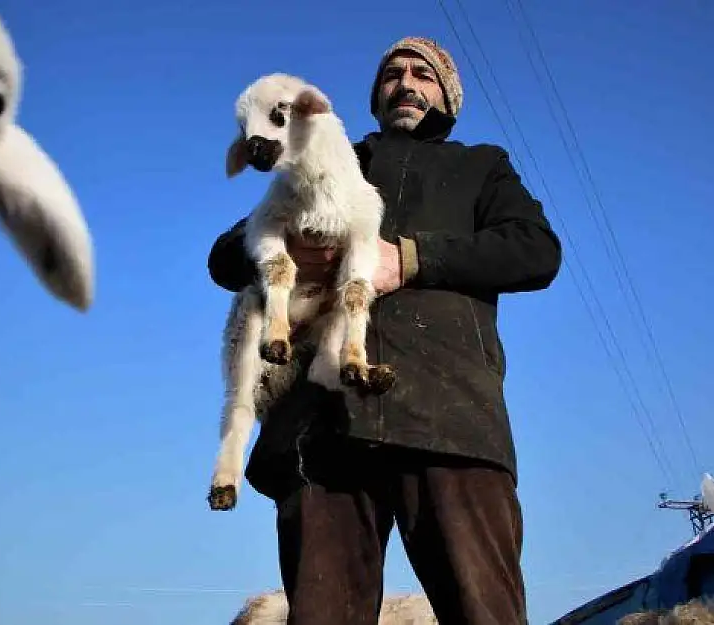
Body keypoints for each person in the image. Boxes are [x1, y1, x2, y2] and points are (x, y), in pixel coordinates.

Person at [207, 36, 562, 625]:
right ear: (374, 99)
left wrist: (410, 259)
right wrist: (294, 249)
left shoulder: (481, 167)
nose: (405, 82)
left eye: (422, 74)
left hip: (450, 421)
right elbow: (224, 257)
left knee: (485, 613)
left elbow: (536, 251)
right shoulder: (327, 160)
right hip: (322, 435)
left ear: (446, 96)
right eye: (392, 74)